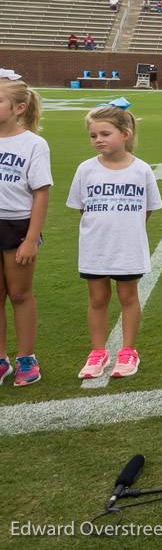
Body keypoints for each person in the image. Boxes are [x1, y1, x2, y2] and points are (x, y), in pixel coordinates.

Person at [69, 105, 162, 379]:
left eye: (104, 133)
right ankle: (98, 352)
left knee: (128, 298)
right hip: (94, 248)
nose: (98, 139)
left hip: (127, 248)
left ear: (124, 134)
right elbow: (81, 207)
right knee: (97, 299)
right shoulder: (85, 169)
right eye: (93, 135)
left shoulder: (141, 170)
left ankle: (128, 351)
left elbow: (148, 208)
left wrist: (127, 230)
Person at [0, 78, 50, 387]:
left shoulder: (33, 143)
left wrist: (32, 238)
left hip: (18, 226)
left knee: (19, 294)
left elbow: (41, 193)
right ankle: (0, 359)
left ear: (19, 108)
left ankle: (26, 358)